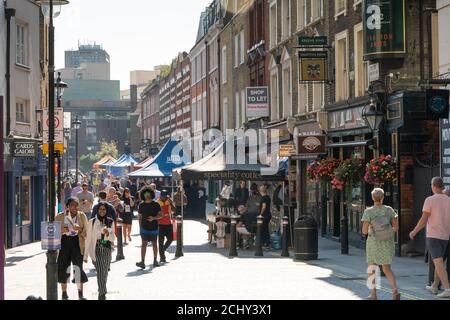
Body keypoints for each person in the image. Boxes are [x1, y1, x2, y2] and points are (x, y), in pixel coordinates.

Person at [410, 177, 450, 298]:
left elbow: (424, 219)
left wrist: (414, 231)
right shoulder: (449, 200)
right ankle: (434, 286)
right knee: (440, 262)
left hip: (433, 236)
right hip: (445, 236)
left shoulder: (430, 200)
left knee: (438, 264)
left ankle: (448, 289)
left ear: (433, 186)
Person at [361, 188, 400, 300]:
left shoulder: (368, 212)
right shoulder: (389, 210)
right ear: (383, 197)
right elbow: (395, 227)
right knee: (387, 268)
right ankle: (394, 290)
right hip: (387, 242)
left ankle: (373, 294)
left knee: (372, 268)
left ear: (373, 198)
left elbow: (364, 231)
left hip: (373, 242)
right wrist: (388, 232)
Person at [55, 198, 89, 300]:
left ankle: (80, 293)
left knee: (78, 268)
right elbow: (52, 233)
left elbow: (86, 232)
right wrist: (61, 231)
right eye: (72, 205)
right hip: (64, 243)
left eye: (76, 205)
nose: (75, 207)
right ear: (67, 206)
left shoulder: (82, 216)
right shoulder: (59, 217)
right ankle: (64, 293)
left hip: (77, 243)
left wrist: (80, 230)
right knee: (63, 268)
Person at [83, 202, 115, 300]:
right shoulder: (92, 221)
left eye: (104, 209)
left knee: (104, 272)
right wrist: (85, 256)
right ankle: (102, 293)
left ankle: (102, 290)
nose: (102, 211)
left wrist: (107, 234)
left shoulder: (110, 221)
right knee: (101, 271)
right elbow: (88, 238)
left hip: (107, 249)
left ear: (106, 211)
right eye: (100, 209)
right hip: (96, 249)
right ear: (97, 210)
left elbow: (113, 238)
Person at [136, 187, 163, 269]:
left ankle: (155, 260)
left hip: (154, 227)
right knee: (144, 244)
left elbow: (161, 215)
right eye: (145, 194)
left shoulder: (156, 204)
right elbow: (139, 217)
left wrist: (154, 218)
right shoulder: (141, 205)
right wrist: (140, 227)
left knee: (154, 244)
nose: (147, 196)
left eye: (148, 194)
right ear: (143, 195)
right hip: (144, 228)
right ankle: (142, 262)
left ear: (151, 194)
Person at [156, 190, 176, 263]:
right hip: (160, 224)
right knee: (160, 241)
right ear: (160, 195)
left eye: (165, 196)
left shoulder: (168, 201)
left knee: (170, 239)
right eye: (163, 196)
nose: (164, 198)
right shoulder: (157, 202)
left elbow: (174, 210)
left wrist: (171, 202)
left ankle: (163, 250)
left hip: (168, 223)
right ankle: (162, 257)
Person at [259, 184, 272, 249]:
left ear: (260, 190)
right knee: (266, 229)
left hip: (265, 215)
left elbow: (264, 207)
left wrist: (260, 214)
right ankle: (267, 243)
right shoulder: (268, 197)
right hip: (268, 214)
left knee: (263, 229)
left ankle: (265, 243)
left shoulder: (264, 198)